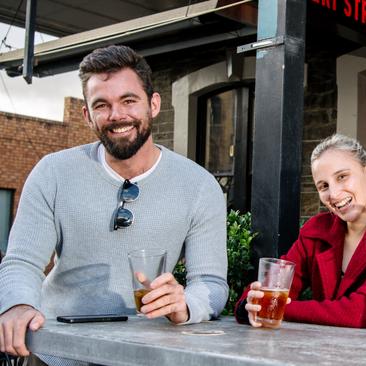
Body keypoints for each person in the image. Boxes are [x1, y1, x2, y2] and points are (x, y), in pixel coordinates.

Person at [0, 45, 228, 363]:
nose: (117, 115)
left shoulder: (200, 186)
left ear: (154, 104)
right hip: (55, 353)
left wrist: (186, 304)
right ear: (87, 115)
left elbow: (211, 282)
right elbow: (22, 261)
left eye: (128, 100)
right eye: (101, 105)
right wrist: (18, 304)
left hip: (146, 356)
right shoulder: (53, 172)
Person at [236, 134, 366, 330]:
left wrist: (275, 308)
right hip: (326, 353)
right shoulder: (317, 231)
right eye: (323, 186)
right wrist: (251, 305)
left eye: (342, 177)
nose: (334, 194)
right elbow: (273, 286)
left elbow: (361, 313)